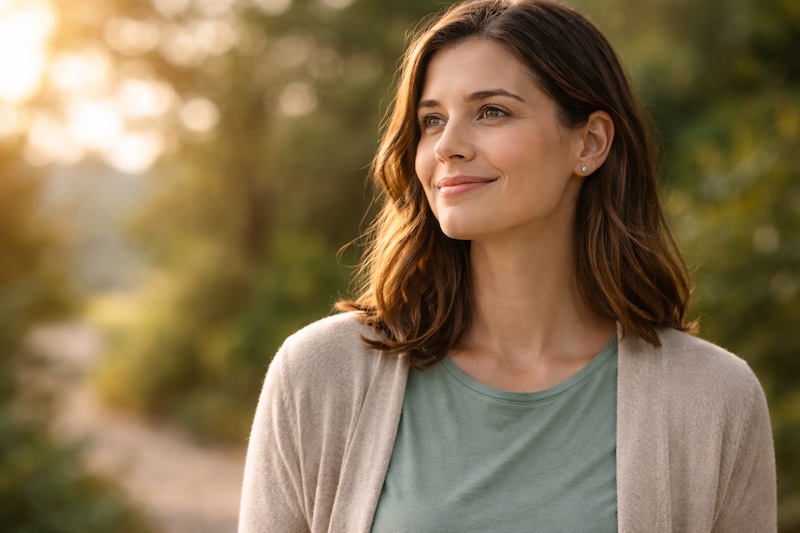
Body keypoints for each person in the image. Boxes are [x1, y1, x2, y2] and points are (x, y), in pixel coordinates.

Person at [238, 0, 777, 531]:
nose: (447, 145)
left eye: (491, 111)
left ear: (589, 142)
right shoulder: (320, 373)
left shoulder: (713, 398)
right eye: (431, 120)